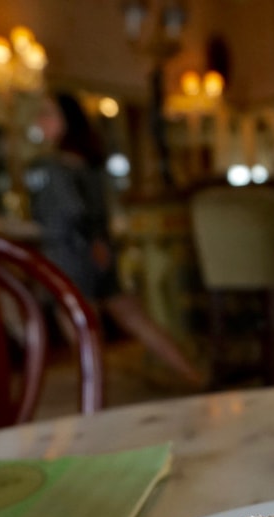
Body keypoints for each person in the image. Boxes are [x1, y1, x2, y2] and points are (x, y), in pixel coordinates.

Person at [27, 92, 205, 388]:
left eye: (48, 113)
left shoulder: (54, 167)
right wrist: (100, 243)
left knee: (82, 326)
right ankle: (193, 376)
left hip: (70, 253)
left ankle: (96, 396)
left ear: (67, 122)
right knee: (129, 316)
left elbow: (71, 213)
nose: (40, 120)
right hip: (100, 250)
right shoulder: (89, 164)